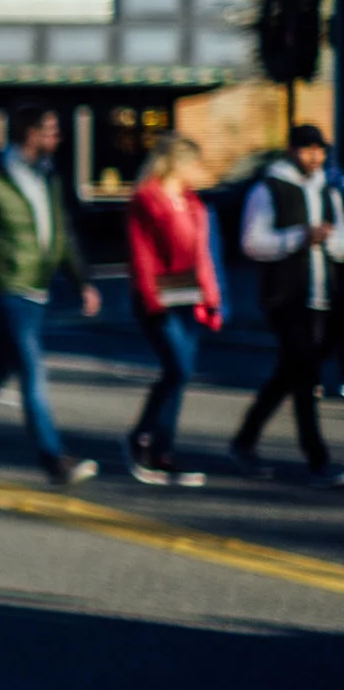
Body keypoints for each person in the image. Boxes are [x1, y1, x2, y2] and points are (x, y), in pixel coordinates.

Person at [0, 104, 101, 487]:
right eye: (49, 130)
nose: (56, 137)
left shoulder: (49, 177)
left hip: (38, 287)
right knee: (32, 369)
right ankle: (53, 458)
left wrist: (83, 283)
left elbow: (63, 235)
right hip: (7, 286)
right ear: (29, 133)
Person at [229, 123, 344, 484]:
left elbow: (342, 242)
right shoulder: (269, 188)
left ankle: (244, 440)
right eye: (309, 150)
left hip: (324, 294)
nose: (315, 157)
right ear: (292, 150)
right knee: (305, 373)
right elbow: (252, 242)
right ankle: (317, 459)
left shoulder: (328, 190)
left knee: (291, 372)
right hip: (286, 295)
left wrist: (326, 240)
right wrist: (299, 236)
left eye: (320, 150)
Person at [124, 134, 222, 487]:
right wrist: (151, 300)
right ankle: (142, 437)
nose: (199, 170)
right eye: (194, 163)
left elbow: (203, 257)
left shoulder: (194, 204)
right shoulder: (146, 199)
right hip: (158, 300)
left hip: (189, 298)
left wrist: (212, 300)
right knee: (177, 367)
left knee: (179, 374)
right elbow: (142, 254)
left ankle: (162, 452)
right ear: (178, 163)